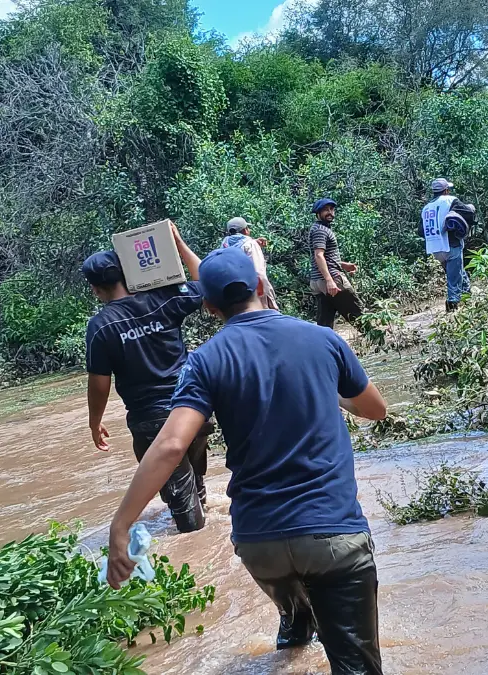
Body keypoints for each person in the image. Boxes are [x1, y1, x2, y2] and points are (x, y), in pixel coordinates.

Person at [104, 245, 389, 674]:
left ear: (209, 307)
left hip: (260, 542)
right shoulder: (322, 339)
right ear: (260, 284)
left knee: (294, 615)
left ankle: (294, 625)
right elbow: (374, 409)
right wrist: (322, 389)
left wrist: (120, 525)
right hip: (333, 534)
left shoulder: (204, 361)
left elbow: (169, 446)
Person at [84, 222, 211, 533]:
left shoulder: (101, 327)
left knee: (186, 516)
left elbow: (100, 383)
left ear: (95, 288)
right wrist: (178, 242)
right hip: (194, 410)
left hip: (153, 423)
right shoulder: (163, 298)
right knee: (198, 488)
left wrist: (94, 421)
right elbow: (205, 283)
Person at [309, 198, 362, 328]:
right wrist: (329, 280)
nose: (330, 212)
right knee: (357, 313)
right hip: (331, 279)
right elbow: (319, 256)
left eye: (331, 209)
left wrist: (343, 265)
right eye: (326, 210)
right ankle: (380, 342)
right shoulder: (321, 230)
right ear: (318, 213)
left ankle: (324, 348)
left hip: (317, 281)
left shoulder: (318, 228)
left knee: (324, 324)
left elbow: (325, 257)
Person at [421, 178, 473, 311]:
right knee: (453, 278)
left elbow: (421, 231)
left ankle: (468, 295)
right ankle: (452, 304)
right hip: (450, 244)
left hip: (435, 249)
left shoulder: (426, 208)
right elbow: (468, 212)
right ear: (446, 190)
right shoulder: (450, 200)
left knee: (456, 272)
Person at [222, 217, 278, 310]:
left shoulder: (225, 244)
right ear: (245, 230)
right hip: (254, 294)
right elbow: (259, 274)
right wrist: (269, 300)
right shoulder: (250, 245)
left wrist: (254, 241)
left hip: (235, 295)